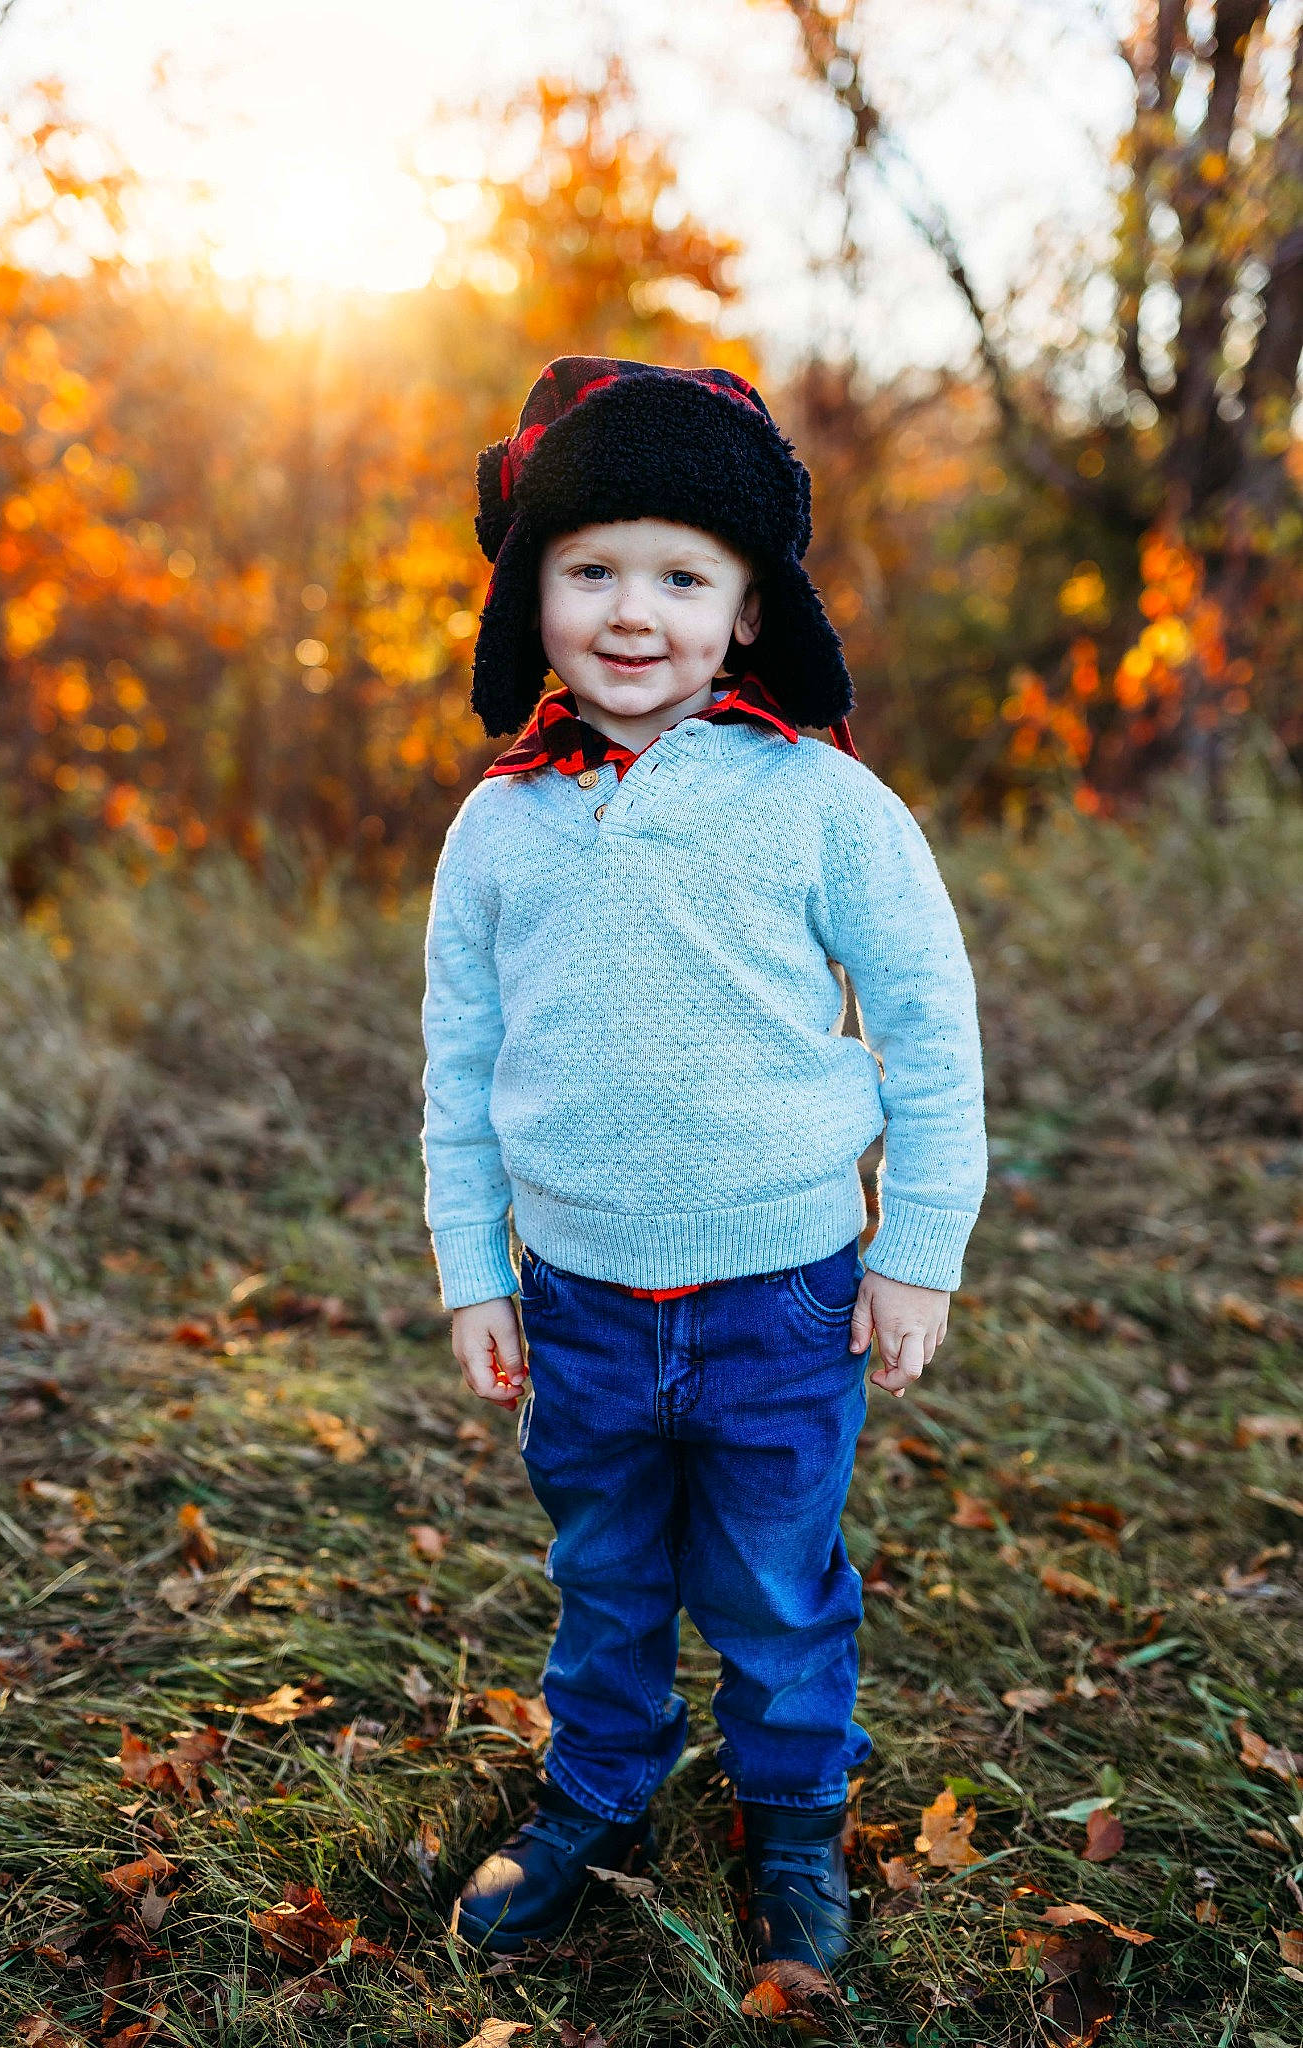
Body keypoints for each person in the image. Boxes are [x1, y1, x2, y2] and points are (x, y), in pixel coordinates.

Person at [419, 357, 986, 1976]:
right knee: (601, 1578)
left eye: (681, 574)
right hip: (579, 1298)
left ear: (748, 610)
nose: (629, 610)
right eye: (588, 567)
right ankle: (599, 1787)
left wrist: (916, 1247)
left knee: (771, 1590)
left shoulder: (824, 805)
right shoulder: (499, 827)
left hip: (783, 1298)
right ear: (530, 591)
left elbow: (931, 1030)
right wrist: (474, 1266)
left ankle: (792, 1824)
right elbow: (458, 1069)